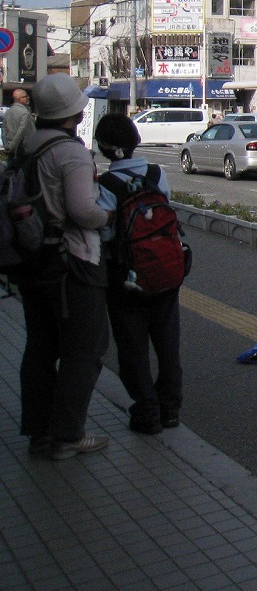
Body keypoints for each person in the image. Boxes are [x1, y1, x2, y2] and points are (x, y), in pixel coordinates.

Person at [16, 73, 111, 460]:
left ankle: (39, 433)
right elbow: (83, 210)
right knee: (85, 348)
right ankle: (68, 435)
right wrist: (108, 216)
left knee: (40, 347)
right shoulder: (70, 152)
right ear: (75, 112)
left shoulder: (29, 144)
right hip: (71, 262)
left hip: (32, 259)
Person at [95, 114, 183, 435]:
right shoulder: (157, 174)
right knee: (167, 344)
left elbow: (106, 234)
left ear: (104, 147)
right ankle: (170, 409)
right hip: (166, 271)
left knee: (132, 348)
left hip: (126, 278)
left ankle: (147, 411)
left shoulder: (107, 184)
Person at [3, 87, 34, 158]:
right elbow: (21, 131)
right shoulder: (25, 113)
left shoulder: (8, 112)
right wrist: (12, 146)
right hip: (22, 151)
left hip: (10, 149)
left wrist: (7, 146)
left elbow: (4, 130)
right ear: (20, 99)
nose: (28, 98)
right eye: (26, 96)